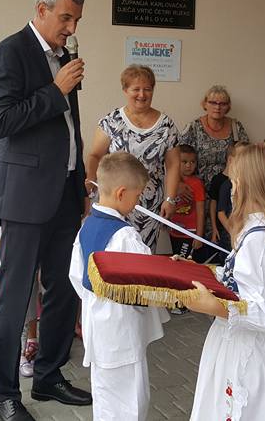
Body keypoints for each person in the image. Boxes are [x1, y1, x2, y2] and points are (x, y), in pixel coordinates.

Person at [0, 0, 91, 421]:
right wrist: (56, 90)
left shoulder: (63, 57)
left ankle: (48, 375)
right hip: (25, 196)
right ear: (41, 10)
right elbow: (2, 122)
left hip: (64, 191)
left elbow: (69, 129)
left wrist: (80, 182)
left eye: (76, 20)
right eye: (65, 18)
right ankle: (4, 395)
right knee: (15, 296)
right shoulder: (8, 53)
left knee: (64, 287)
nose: (71, 28)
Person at [185, 144, 265, 420]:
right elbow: (238, 278)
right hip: (232, 340)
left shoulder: (259, 239)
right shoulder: (252, 230)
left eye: (234, 182)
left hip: (246, 349)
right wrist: (202, 272)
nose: (232, 190)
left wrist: (213, 306)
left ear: (249, 186)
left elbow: (260, 312)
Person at [68, 152, 168, 420]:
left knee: (105, 396)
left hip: (98, 327)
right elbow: (146, 285)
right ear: (122, 193)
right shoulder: (125, 237)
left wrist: (95, 303)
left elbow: (76, 276)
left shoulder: (87, 226)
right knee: (130, 401)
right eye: (138, 195)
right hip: (122, 331)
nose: (138, 202)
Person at [85, 64, 181, 249]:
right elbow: (95, 155)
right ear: (125, 90)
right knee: (111, 250)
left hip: (148, 205)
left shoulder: (166, 125)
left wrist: (170, 199)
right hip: (113, 201)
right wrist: (90, 181)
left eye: (147, 89)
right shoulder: (111, 121)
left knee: (141, 253)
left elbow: (173, 165)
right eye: (136, 89)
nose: (142, 95)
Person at [0, 207, 42, 378]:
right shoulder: (0, 202)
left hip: (29, 264)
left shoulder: (35, 203)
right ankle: (3, 355)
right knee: (7, 312)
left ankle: (21, 354)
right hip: (6, 264)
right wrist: (5, 245)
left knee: (27, 310)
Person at [181, 85, 249, 191]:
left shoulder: (236, 127)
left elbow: (247, 157)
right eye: (213, 103)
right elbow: (178, 158)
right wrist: (179, 184)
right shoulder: (193, 127)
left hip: (229, 188)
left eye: (223, 103)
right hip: (197, 189)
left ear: (228, 106)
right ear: (205, 104)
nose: (217, 107)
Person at [169, 144, 204, 262]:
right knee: (176, 260)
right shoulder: (171, 182)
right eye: (184, 162)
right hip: (174, 231)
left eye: (192, 162)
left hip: (190, 233)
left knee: (184, 262)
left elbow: (200, 211)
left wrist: (199, 236)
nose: (189, 165)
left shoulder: (197, 184)